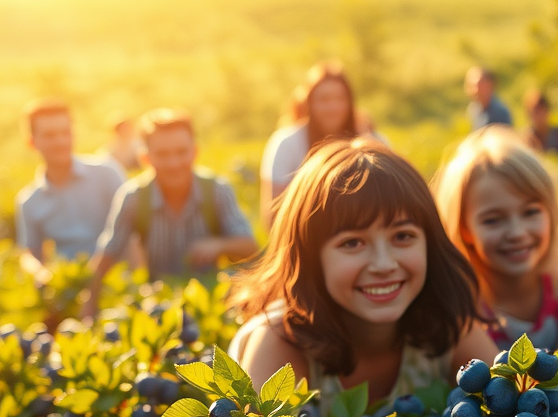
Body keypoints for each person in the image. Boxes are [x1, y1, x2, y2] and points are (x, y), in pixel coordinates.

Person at [228, 138, 497, 410]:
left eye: (403, 236)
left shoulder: (448, 326)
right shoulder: (280, 342)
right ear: (311, 256)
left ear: (430, 243)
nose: (383, 264)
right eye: (352, 243)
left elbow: (516, 416)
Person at [83, 108, 257, 315]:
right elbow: (106, 256)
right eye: (163, 154)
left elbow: (250, 248)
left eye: (181, 152)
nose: (173, 163)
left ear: (194, 152)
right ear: (146, 158)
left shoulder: (217, 191)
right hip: (159, 305)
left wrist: (219, 245)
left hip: (211, 304)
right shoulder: (134, 198)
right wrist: (89, 308)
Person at [434, 126, 558, 351]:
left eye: (530, 212)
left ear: (551, 212)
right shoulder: (460, 308)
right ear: (464, 228)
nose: (517, 233)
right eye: (493, 220)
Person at [261, 61, 373, 229]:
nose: (333, 107)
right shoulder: (286, 143)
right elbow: (272, 217)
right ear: (308, 103)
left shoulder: (373, 141)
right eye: (324, 99)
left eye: (340, 98)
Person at [15, 99, 125, 263]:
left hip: (118, 278)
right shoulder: (29, 201)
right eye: (49, 135)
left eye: (65, 132)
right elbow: (30, 253)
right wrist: (40, 274)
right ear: (32, 142)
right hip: (70, 282)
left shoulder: (107, 173)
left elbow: (136, 232)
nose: (60, 141)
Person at [523, 89, 558, 158]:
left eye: (540, 111)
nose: (538, 116)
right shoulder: (525, 140)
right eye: (534, 112)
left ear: (548, 111)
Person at [465, 66, 512, 130]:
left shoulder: (500, 112)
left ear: (490, 85)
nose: (475, 90)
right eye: (471, 85)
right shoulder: (473, 109)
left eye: (478, 85)